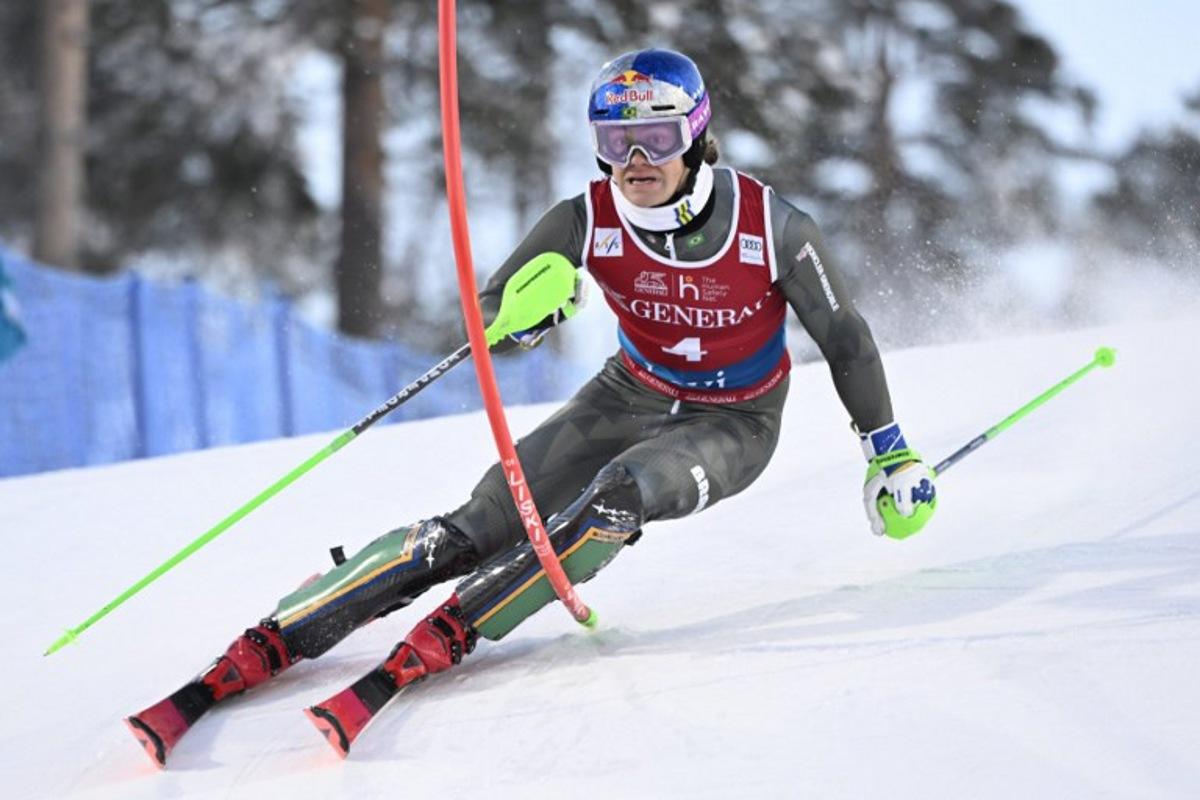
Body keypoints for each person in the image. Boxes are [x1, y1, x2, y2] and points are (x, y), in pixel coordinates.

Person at [126, 48, 937, 764]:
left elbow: (848, 337)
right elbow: (491, 314)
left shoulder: (771, 224)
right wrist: (527, 316)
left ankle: (453, 632)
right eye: (614, 141)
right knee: (477, 524)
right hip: (632, 390)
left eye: (655, 137)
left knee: (618, 494)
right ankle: (281, 631)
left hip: (736, 420)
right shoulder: (586, 216)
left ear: (694, 135)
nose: (634, 159)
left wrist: (889, 450)